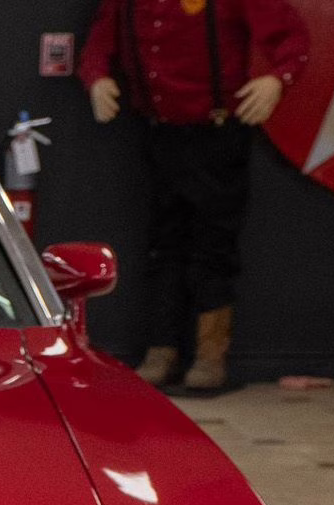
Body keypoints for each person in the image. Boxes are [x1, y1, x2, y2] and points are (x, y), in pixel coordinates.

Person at [80, 0, 309, 392]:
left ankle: (209, 355)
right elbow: (100, 42)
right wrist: (96, 77)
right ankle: (161, 348)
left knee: (213, 246)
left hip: (216, 134)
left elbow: (291, 37)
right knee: (162, 245)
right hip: (158, 132)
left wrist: (278, 78)